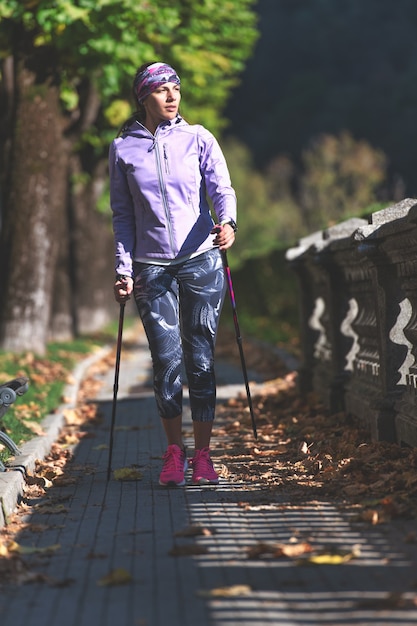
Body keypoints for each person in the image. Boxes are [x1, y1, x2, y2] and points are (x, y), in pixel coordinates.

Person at [109, 61, 237, 487]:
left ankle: (202, 455)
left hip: (201, 258)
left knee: (200, 359)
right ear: (143, 97)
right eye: (161, 90)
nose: (171, 96)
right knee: (166, 362)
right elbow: (123, 215)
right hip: (151, 266)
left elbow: (221, 187)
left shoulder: (198, 137)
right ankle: (173, 453)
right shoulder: (123, 148)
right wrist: (123, 268)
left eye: (175, 88)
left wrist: (228, 223)